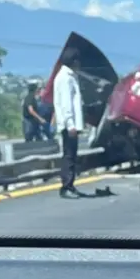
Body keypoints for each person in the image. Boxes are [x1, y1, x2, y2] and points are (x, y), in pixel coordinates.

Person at [53, 47, 84, 198]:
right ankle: (66, 186)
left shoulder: (69, 76)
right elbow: (66, 104)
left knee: (71, 155)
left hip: (70, 124)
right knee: (69, 156)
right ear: (73, 61)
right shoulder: (66, 78)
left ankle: (70, 185)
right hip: (68, 124)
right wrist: (71, 124)